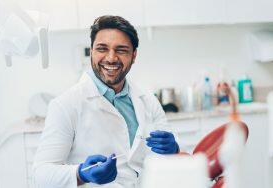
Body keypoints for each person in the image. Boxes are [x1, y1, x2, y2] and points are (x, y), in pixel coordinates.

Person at [33, 15, 180, 188]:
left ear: (134, 55)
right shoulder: (65, 105)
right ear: (92, 52)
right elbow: (41, 176)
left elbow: (174, 157)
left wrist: (174, 149)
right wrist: (81, 174)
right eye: (102, 49)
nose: (111, 58)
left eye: (121, 50)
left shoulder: (147, 100)